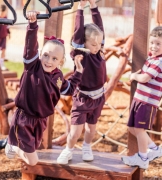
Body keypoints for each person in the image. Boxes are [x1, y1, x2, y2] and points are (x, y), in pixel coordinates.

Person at [5, 10, 83, 166]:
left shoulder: (58, 77)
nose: (49, 60)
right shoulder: (32, 67)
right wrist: (33, 25)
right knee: (33, 161)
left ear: (60, 62)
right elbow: (30, 47)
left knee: (31, 155)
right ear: (40, 54)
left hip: (40, 122)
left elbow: (69, 89)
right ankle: (12, 144)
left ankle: (13, 144)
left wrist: (78, 72)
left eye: (54, 58)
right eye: (46, 55)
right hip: (24, 118)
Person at [57, 0, 107, 164]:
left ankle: (87, 146)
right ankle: (68, 150)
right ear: (84, 44)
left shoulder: (98, 51)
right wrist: (80, 8)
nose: (97, 46)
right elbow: (78, 32)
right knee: (75, 131)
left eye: (99, 43)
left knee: (91, 129)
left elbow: (99, 28)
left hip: (98, 98)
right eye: (93, 44)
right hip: (82, 98)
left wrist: (94, 6)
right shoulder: (82, 53)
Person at [121, 26, 162, 170]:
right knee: (132, 128)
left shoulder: (159, 62)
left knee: (139, 129)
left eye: (158, 44)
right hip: (139, 99)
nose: (154, 46)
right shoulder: (152, 58)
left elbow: (145, 78)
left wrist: (134, 76)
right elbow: (144, 71)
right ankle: (154, 149)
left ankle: (143, 158)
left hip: (147, 102)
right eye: (152, 43)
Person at [0, 4, 11, 70]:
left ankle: (1, 64)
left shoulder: (5, 18)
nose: (2, 15)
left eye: (4, 13)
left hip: (3, 36)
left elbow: (7, 27)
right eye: (1, 13)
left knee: (3, 50)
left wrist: (9, 32)